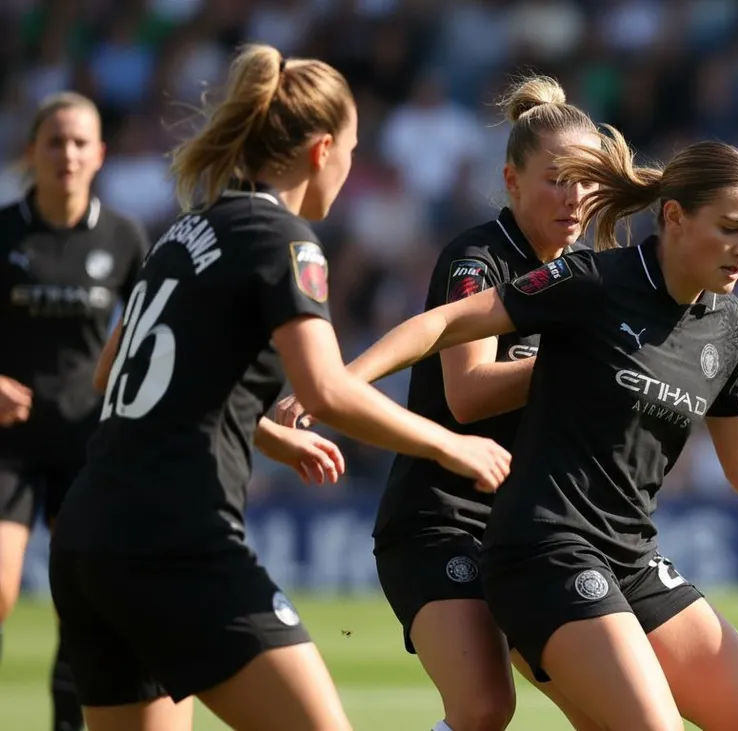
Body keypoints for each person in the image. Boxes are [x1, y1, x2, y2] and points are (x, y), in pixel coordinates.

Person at [330, 127, 738, 731]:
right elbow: (445, 326)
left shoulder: (729, 326)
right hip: (543, 549)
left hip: (632, 555)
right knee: (519, 712)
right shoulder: (592, 281)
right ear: (675, 217)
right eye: (730, 228)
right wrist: (336, 383)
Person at [275, 74, 738, 731]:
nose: (575, 198)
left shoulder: (593, 272)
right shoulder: (478, 259)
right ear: (512, 182)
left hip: (541, 524)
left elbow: (644, 353)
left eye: (586, 181)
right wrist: (600, 360)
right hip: (444, 515)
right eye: (556, 180)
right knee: (484, 706)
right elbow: (466, 393)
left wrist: (689, 368)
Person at [46, 43, 510, 731]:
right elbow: (324, 391)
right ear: (322, 151)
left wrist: (258, 430)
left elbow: (112, 369)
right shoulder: (282, 238)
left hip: (87, 538)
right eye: (351, 151)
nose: (350, 170)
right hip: (174, 537)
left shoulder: (185, 231)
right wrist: (450, 444)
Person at [0, 92, 151, 731]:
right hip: (6, 443)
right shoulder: (4, 232)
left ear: (100, 154)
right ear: (31, 151)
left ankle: (68, 724)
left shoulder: (123, 237)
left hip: (87, 443)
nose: (67, 154)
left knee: (83, 598)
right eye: (55, 141)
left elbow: (150, 334)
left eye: (80, 142)